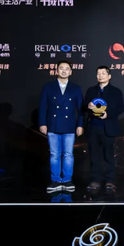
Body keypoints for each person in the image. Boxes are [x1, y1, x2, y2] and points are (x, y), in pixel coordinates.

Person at [38, 60, 83, 193]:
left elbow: (80, 109)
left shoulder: (76, 88)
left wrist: (80, 125)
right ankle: (56, 180)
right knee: (54, 154)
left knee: (68, 154)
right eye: (61, 68)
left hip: (70, 126)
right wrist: (42, 123)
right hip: (53, 124)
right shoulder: (48, 87)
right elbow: (43, 106)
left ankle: (67, 180)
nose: (64, 71)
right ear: (56, 71)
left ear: (71, 72)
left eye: (66, 68)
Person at [84, 66, 124, 192]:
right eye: (98, 74)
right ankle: (95, 180)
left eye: (103, 73)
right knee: (94, 156)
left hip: (108, 127)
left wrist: (108, 114)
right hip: (93, 127)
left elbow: (121, 108)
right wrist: (88, 106)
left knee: (109, 156)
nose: (100, 76)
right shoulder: (91, 91)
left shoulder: (116, 91)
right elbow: (83, 107)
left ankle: (110, 181)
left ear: (109, 76)